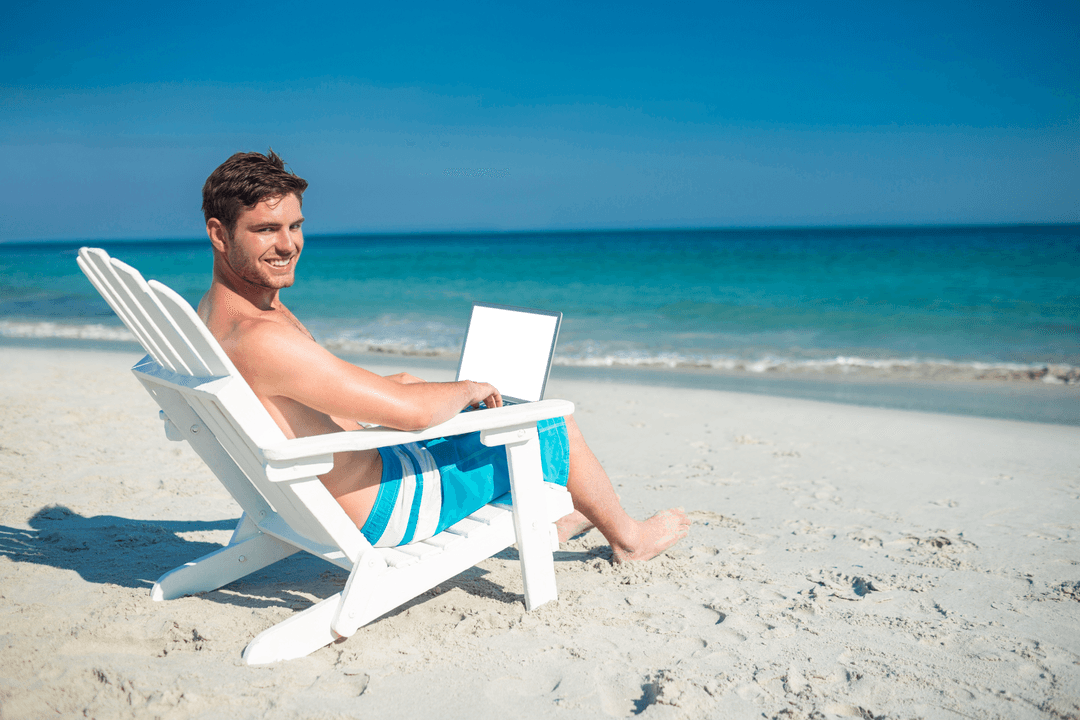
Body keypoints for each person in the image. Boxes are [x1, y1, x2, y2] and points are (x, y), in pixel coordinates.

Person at [197, 149, 690, 562]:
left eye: (296, 225)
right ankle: (629, 539)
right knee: (549, 424)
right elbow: (412, 417)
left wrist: (399, 384)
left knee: (449, 402)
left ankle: (563, 516)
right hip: (385, 505)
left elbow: (294, 397)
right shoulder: (261, 336)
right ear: (220, 234)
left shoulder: (221, 319)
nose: (289, 245)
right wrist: (468, 388)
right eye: (266, 230)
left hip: (324, 486)